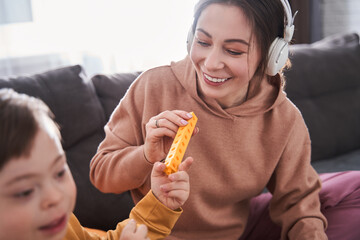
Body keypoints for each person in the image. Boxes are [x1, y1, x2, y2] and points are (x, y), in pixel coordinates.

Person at [89, 0, 360, 239]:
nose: (210, 63)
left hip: (241, 230)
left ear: (270, 57)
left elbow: (298, 201)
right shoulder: (153, 86)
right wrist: (146, 155)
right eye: (203, 42)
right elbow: (101, 175)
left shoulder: (283, 118)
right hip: (159, 234)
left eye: (233, 50)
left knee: (353, 189)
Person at [0, 88, 194, 240]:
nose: (55, 196)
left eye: (59, 173)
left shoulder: (61, 225)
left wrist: (159, 203)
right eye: (25, 191)